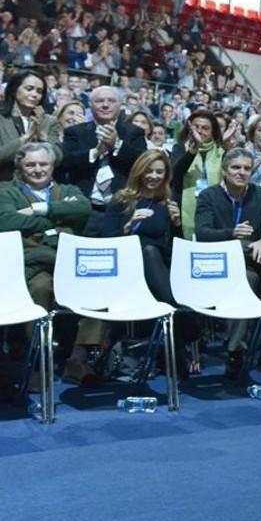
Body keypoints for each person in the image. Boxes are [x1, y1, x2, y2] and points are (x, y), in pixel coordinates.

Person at [0, 142, 100, 383]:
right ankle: (36, 360)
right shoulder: (6, 192)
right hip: (35, 267)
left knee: (100, 287)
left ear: (52, 166)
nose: (38, 169)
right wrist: (53, 224)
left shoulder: (69, 189)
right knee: (41, 288)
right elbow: (3, 221)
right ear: (20, 166)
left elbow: (83, 208)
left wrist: (39, 210)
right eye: (30, 164)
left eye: (43, 164)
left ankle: (77, 359)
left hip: (68, 264)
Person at [95, 149, 201, 371]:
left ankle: (176, 328)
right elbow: (106, 242)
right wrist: (128, 226)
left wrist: (176, 224)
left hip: (160, 267)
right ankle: (180, 318)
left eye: (159, 172)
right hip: (125, 266)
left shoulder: (167, 202)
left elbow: (174, 249)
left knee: (152, 252)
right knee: (147, 250)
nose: (154, 176)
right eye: (149, 171)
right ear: (139, 172)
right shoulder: (122, 200)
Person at [194, 148, 261, 377]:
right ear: (224, 170)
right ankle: (237, 348)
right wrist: (231, 234)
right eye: (236, 167)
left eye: (247, 168)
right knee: (245, 268)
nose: (241, 172)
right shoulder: (208, 196)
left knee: (250, 276)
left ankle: (237, 348)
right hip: (215, 263)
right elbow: (202, 233)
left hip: (250, 266)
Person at [0, 71, 61, 230]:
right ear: (15, 90)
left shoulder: (50, 122)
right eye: (29, 88)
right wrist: (25, 138)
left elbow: (58, 157)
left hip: (36, 200)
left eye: (39, 91)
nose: (34, 94)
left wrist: (42, 135)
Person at [59, 86, 147, 219]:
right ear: (90, 105)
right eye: (99, 101)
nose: (105, 105)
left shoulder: (134, 132)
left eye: (111, 101)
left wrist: (116, 145)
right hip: (84, 209)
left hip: (121, 210)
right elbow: (65, 161)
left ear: (120, 105)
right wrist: (94, 153)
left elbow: (142, 162)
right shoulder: (76, 132)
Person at [171, 110, 228, 239]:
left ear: (213, 132)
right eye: (196, 127)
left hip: (212, 207)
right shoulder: (180, 148)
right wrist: (192, 150)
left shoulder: (221, 151)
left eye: (205, 128)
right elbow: (176, 172)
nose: (200, 131)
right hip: (183, 206)